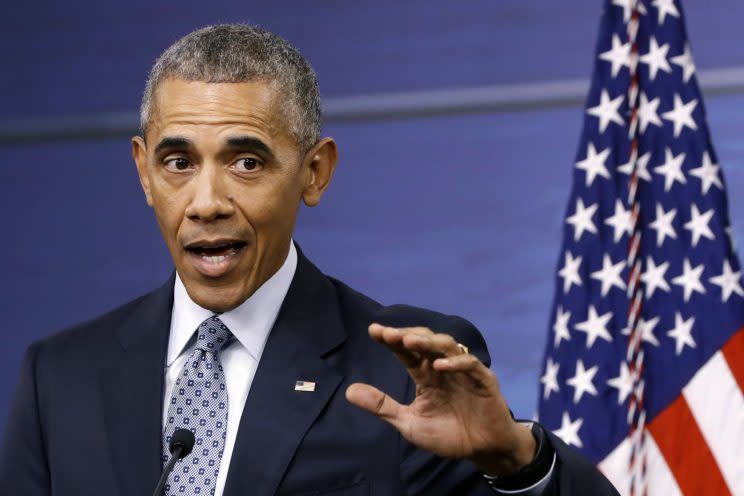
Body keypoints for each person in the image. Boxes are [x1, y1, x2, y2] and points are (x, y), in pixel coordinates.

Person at [0, 24, 618, 495]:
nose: (207, 202)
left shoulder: (407, 373)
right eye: (179, 163)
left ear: (314, 172)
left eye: (246, 162)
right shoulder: (61, 377)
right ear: (143, 171)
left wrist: (517, 460)